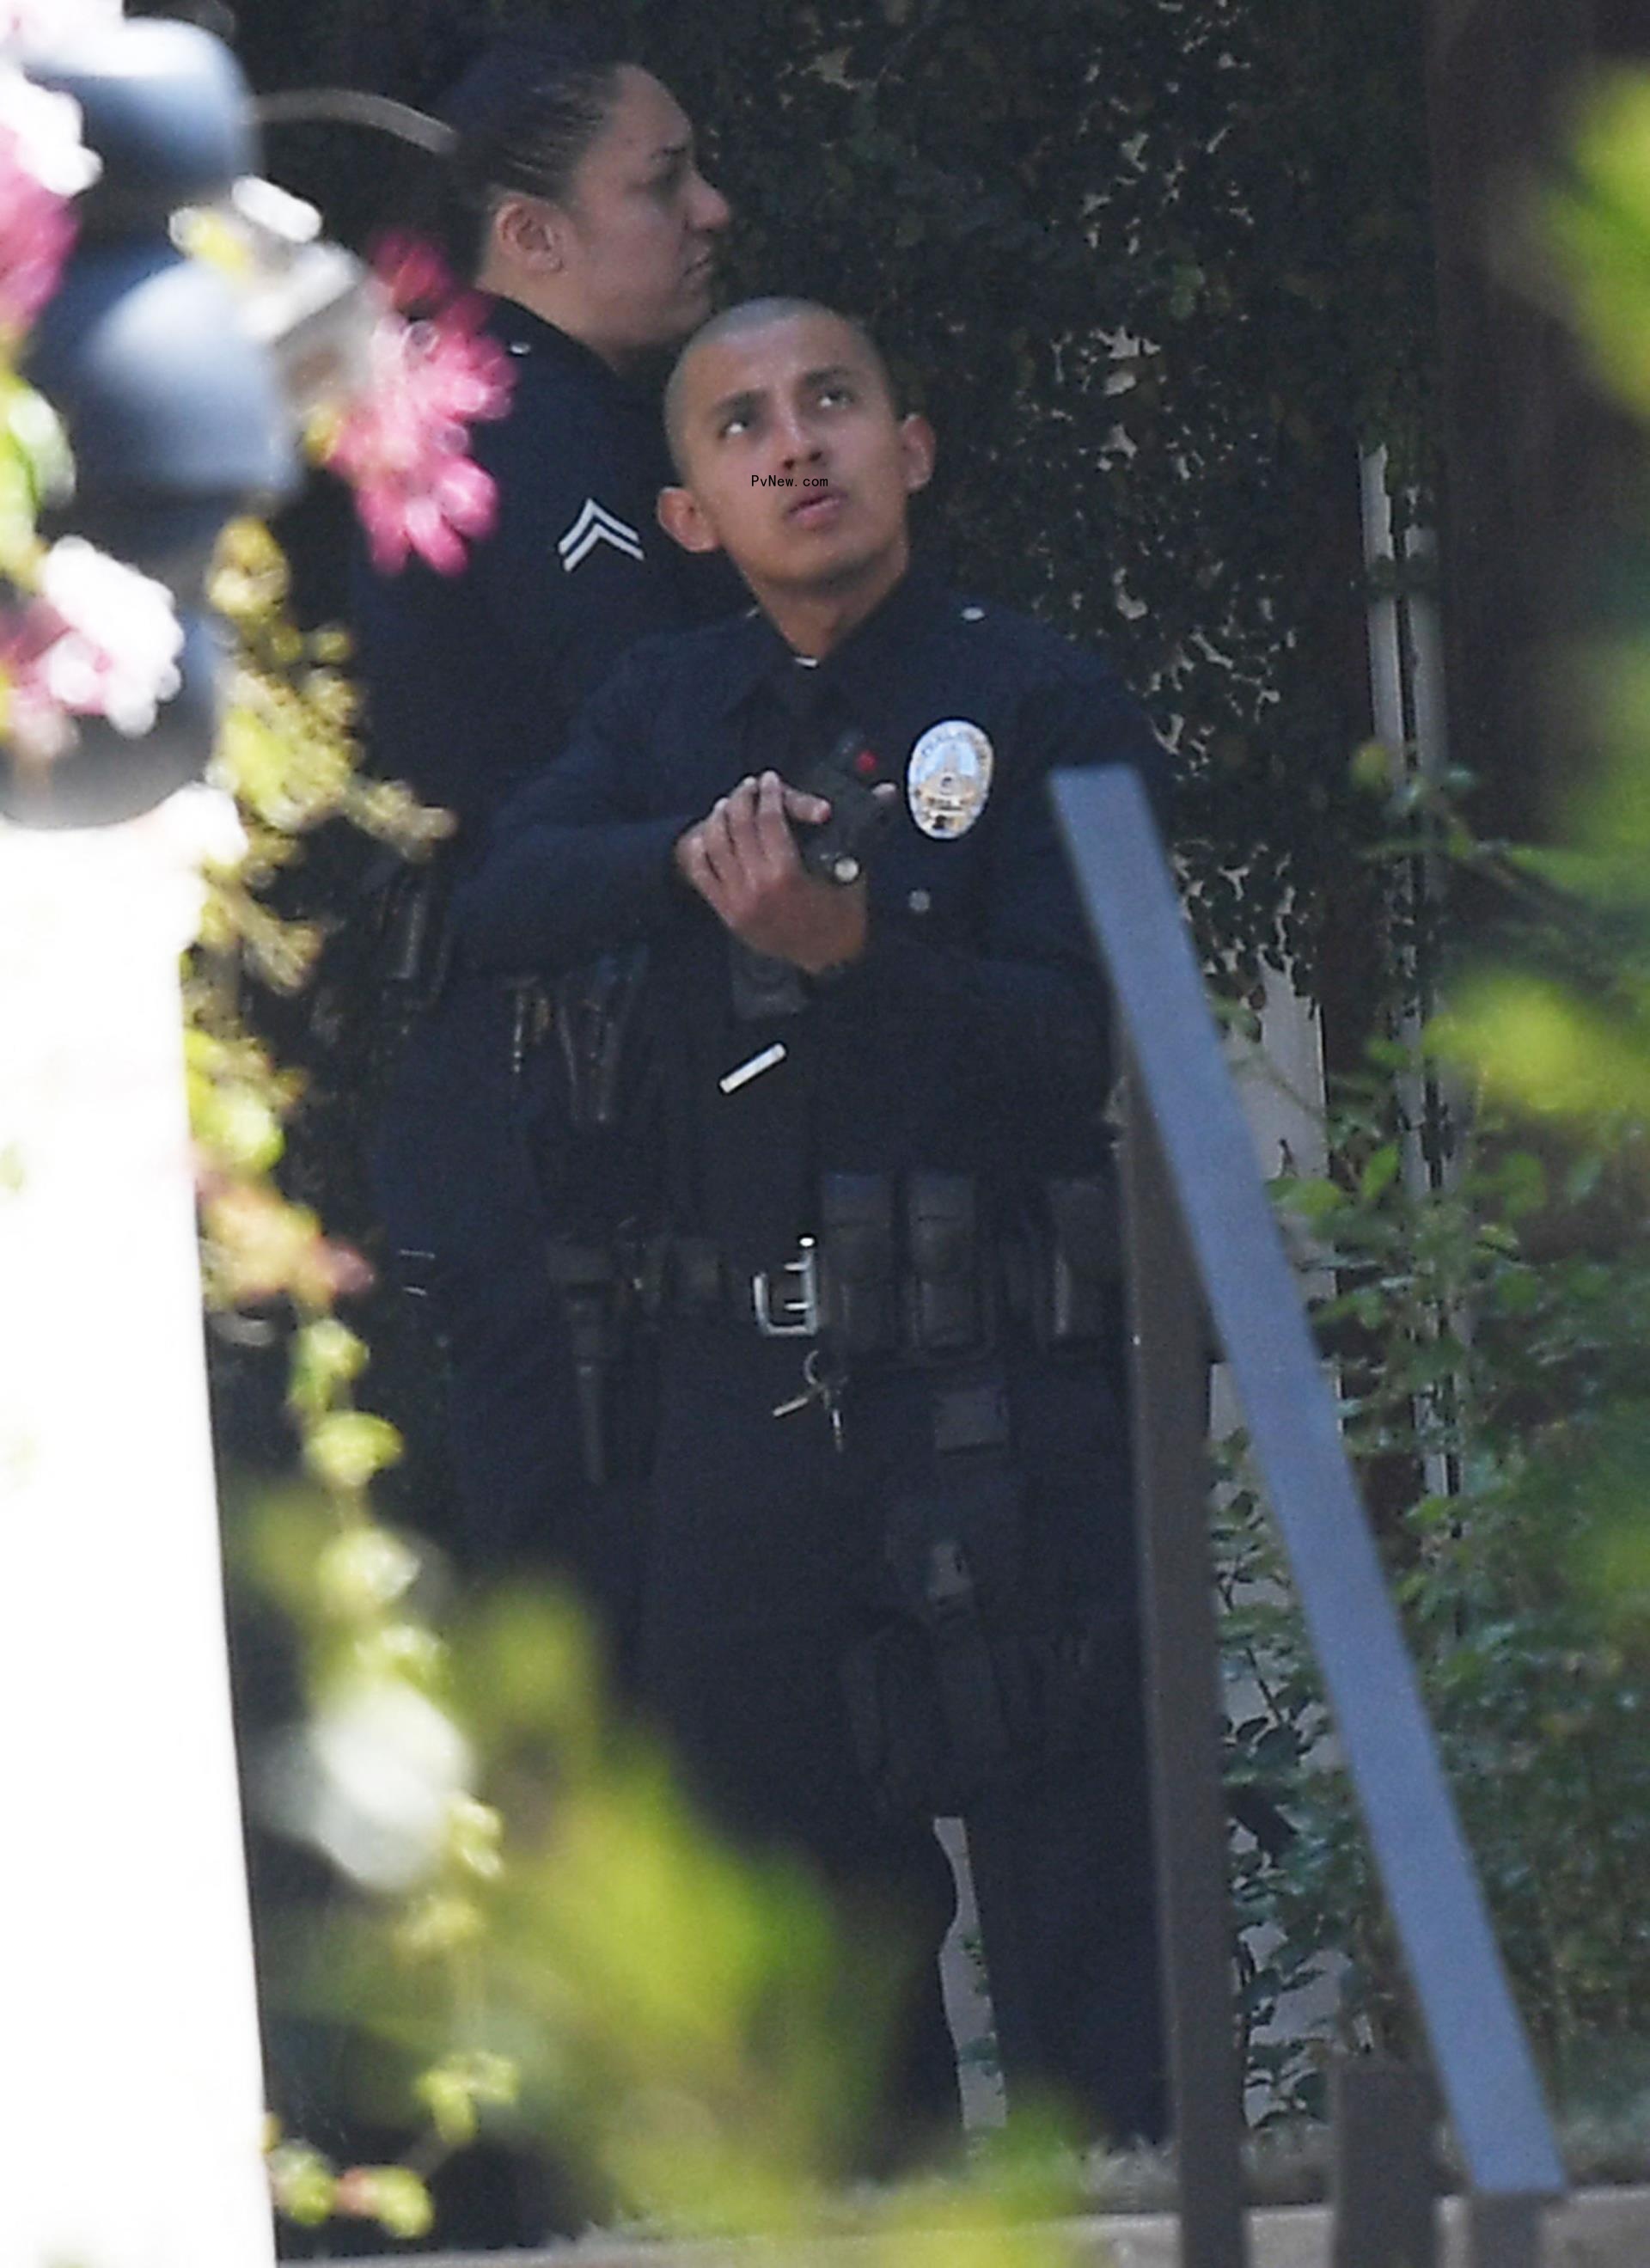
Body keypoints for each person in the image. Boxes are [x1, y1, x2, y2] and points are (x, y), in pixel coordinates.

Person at [454, 298, 1169, 2150]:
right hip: (745, 1398)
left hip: (999, 1377)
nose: (797, 447)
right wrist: (705, 864)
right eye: (742, 426)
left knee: (1088, 1912)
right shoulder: (666, 711)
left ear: (909, 446)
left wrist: (860, 954)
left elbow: (1068, 1041)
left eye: (833, 404)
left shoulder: (1035, 697)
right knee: (807, 1945)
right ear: (690, 512)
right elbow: (504, 896)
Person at [352, 24, 733, 1633]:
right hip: (553, 1090)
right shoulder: (536, 427)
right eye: (663, 183)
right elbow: (657, 737)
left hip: (525, 1080)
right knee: (604, 1567)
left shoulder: (503, 407)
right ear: (534, 235)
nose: (713, 210)